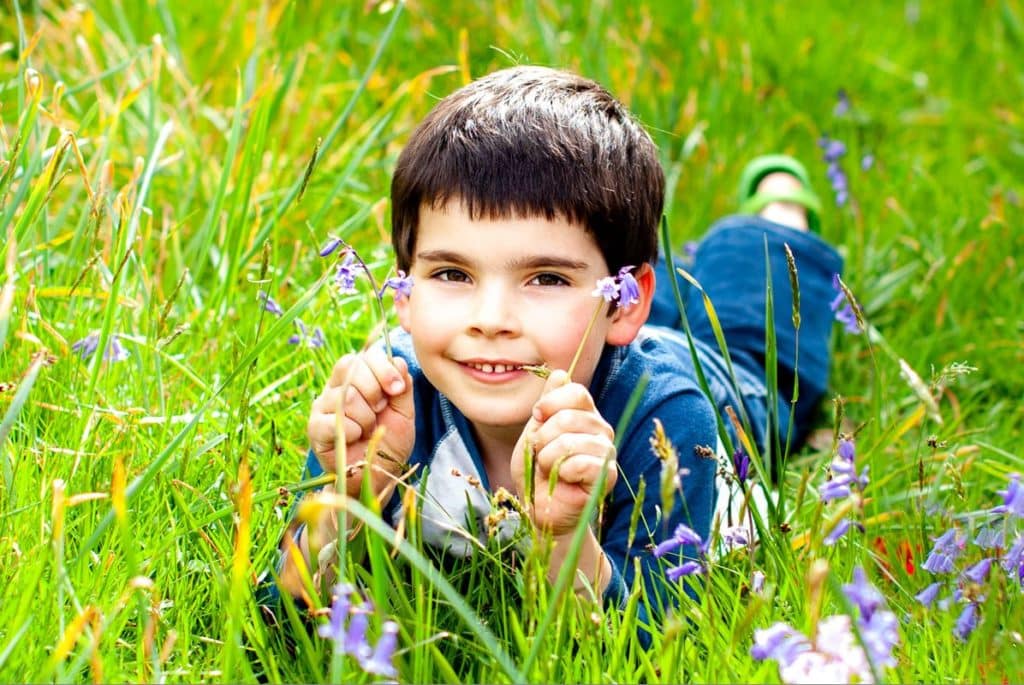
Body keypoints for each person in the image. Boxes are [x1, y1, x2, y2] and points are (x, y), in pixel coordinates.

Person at [264, 66, 843, 636]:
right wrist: (350, 493)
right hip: (582, 329)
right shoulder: (389, 404)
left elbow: (653, 639)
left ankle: (775, 215)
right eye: (451, 273)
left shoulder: (666, 417)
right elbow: (281, 616)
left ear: (625, 303)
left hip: (703, 370)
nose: (490, 321)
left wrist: (564, 535)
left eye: (545, 278)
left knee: (756, 342)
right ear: (404, 290)